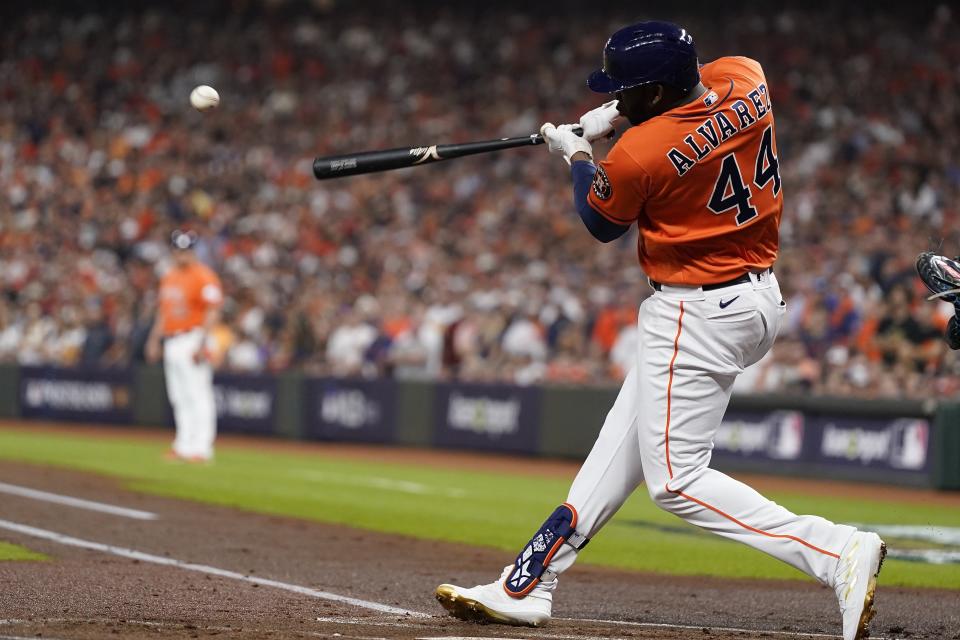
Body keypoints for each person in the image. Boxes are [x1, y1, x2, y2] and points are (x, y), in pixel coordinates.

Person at [434, 21, 885, 640]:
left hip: (695, 312)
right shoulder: (746, 76)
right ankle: (530, 582)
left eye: (626, 88)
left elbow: (599, 218)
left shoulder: (639, 155)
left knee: (675, 482)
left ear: (652, 93)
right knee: (615, 453)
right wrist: (615, 115)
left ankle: (836, 552)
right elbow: (683, 114)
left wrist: (577, 153)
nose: (617, 94)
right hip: (755, 297)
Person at [146, 230, 223, 462]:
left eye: (187, 250)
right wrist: (153, 339)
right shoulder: (168, 277)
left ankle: (202, 447)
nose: (183, 255)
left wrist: (203, 342)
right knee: (179, 396)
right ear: (173, 252)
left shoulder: (204, 276)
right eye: (179, 250)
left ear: (193, 251)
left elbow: (213, 310)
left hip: (193, 337)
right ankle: (183, 443)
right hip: (172, 339)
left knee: (198, 394)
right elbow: (163, 312)